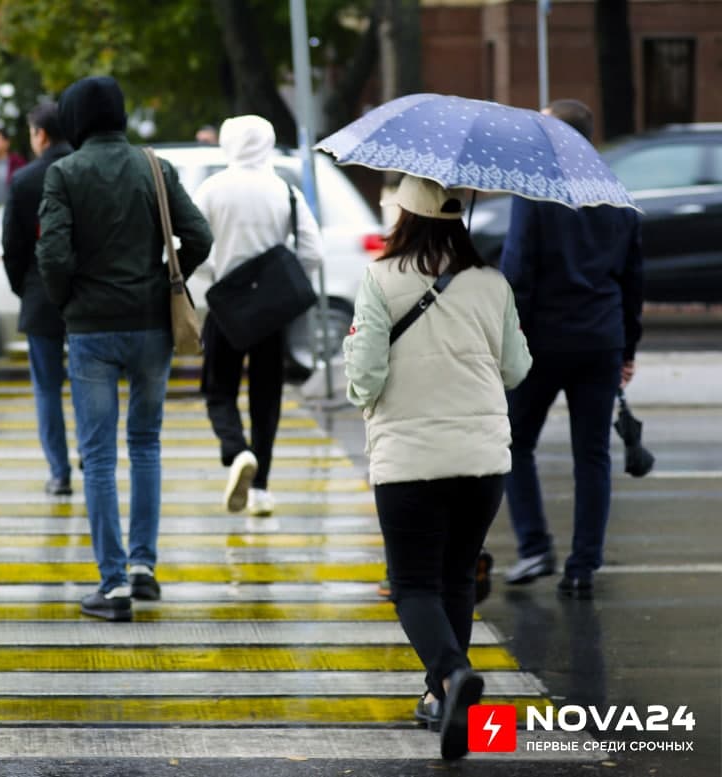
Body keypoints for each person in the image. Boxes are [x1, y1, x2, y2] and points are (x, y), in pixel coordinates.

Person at [343, 175, 531, 760]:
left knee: (412, 585)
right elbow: (516, 368)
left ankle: (452, 677)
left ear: (405, 216)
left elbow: (365, 378)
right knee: (454, 579)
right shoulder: (492, 282)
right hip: (481, 462)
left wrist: (359, 378)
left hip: (409, 463)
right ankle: (441, 699)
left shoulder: (379, 278)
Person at [37, 76, 213, 621]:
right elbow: (199, 236)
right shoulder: (155, 168)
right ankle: (143, 569)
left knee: (97, 456)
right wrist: (161, 279)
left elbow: (53, 256)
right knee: (145, 444)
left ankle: (111, 586)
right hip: (149, 327)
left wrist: (71, 302)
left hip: (91, 330)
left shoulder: (63, 173)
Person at [500, 99, 643, 600]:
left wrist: (506, 338)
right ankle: (583, 566)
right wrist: (628, 346)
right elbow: (631, 280)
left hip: (541, 341)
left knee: (513, 444)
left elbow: (517, 272)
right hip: (600, 340)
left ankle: (535, 544)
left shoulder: (535, 192)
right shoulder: (617, 194)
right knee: (593, 456)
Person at [190, 115, 323, 517]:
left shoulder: (211, 189)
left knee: (219, 389)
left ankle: (236, 450)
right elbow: (313, 252)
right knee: (266, 398)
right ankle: (261, 487)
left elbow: (190, 245)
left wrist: (217, 273)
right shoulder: (285, 191)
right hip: (272, 315)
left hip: (227, 309)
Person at [3, 102, 74, 496]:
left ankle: (59, 473)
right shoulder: (84, 170)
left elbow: (12, 245)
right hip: (86, 296)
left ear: (41, 135)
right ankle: (91, 454)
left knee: (47, 388)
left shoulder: (25, 179)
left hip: (41, 295)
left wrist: (26, 287)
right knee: (87, 380)